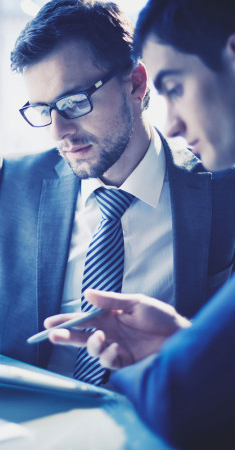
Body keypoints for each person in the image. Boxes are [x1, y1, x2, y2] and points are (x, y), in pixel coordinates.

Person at [0, 0, 234, 395]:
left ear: (136, 83)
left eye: (74, 103)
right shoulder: (12, 183)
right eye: (43, 110)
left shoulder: (220, 187)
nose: (59, 131)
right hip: (30, 426)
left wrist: (183, 347)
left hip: (159, 423)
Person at [45, 0, 235, 447]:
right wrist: (182, 344)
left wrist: (169, 369)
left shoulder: (218, 191)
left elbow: (175, 402)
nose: (170, 121)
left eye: (175, 86)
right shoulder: (14, 180)